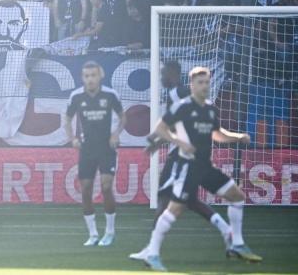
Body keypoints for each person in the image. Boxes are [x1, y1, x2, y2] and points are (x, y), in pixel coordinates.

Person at [130, 66, 262, 271]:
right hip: (186, 166)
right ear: (191, 85)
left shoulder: (210, 108)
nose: (204, 86)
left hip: (205, 166)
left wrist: (238, 137)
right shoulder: (182, 107)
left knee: (237, 196)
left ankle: (236, 243)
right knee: (174, 208)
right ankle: (153, 254)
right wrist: (180, 143)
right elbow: (159, 129)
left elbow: (217, 134)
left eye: (207, 82)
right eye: (200, 82)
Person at [64, 61, 125, 247]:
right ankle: (92, 234)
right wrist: (72, 138)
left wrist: (116, 133)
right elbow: (67, 119)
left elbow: (123, 116)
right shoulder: (76, 96)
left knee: (106, 187)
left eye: (93, 75)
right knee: (86, 190)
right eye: (87, 76)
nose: (90, 79)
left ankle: (110, 232)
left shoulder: (110, 95)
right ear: (83, 77)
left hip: (106, 147)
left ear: (100, 76)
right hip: (87, 148)